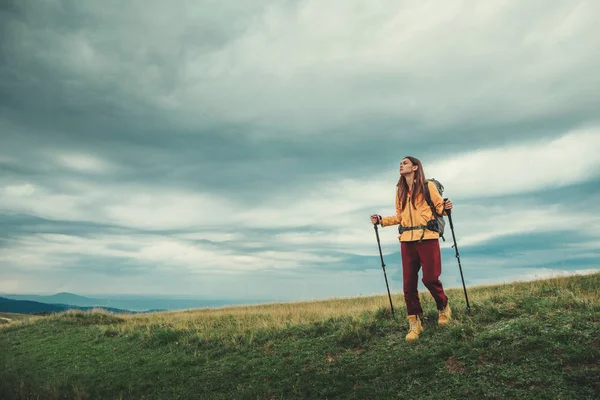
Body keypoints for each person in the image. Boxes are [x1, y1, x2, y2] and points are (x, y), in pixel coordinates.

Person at [370, 156, 453, 341]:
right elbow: (400, 217)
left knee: (430, 279)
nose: (401, 165)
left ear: (415, 167)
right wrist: (382, 220)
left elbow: (440, 209)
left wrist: (447, 207)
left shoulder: (427, 186)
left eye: (405, 163)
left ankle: (443, 306)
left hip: (428, 237)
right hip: (407, 241)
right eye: (400, 163)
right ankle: (415, 324)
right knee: (408, 285)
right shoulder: (400, 191)